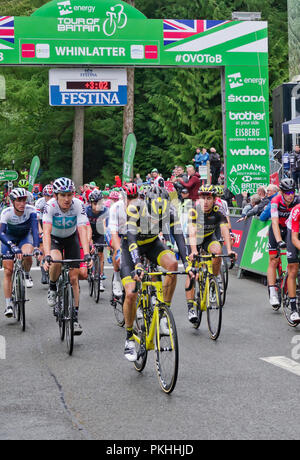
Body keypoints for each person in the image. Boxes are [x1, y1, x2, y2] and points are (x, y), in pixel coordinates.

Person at [121, 184, 191, 361]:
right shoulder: (135, 207)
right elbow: (130, 238)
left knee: (173, 265)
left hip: (152, 244)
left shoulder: (171, 210)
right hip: (131, 247)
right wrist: (137, 263)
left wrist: (188, 264)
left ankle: (162, 314)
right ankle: (129, 337)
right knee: (131, 294)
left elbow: (179, 237)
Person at [43, 177, 92, 336]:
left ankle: (75, 317)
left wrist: (87, 254)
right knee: (56, 261)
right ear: (56, 195)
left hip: (71, 239)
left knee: (73, 278)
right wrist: (47, 255)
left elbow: (83, 230)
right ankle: (52, 286)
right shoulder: (50, 206)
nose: (66, 199)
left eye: (69, 194)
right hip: (56, 240)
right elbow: (46, 232)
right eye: (63, 195)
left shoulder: (78, 205)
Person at [185, 185, 236, 323]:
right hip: (193, 240)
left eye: (209, 198)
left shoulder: (218, 212)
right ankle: (190, 307)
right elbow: (192, 232)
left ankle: (212, 282)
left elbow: (225, 230)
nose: (205, 201)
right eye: (203, 198)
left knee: (218, 252)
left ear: (214, 199)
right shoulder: (194, 212)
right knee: (192, 270)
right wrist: (194, 251)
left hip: (208, 238)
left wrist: (230, 250)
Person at [0, 188, 40, 318]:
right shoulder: (6, 212)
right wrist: (12, 246)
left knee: (27, 255)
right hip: (9, 239)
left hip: (24, 237)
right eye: (19, 200)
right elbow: (1, 233)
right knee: (8, 270)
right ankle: (8, 305)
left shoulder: (31, 210)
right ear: (12, 202)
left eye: (24, 200)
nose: (22, 203)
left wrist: (36, 247)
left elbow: (34, 230)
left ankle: (27, 274)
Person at [267, 178, 300, 309]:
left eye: (292, 191)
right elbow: (274, 222)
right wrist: (279, 240)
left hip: (291, 229)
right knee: (274, 260)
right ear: (281, 192)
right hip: (278, 228)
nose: (290, 195)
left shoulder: (297, 201)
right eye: (287, 192)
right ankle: (272, 291)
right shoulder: (275, 201)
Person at [86, 189, 109, 292]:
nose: (97, 206)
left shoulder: (105, 210)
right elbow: (85, 227)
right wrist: (89, 240)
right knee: (88, 248)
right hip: (89, 231)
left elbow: (105, 226)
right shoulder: (86, 211)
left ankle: (100, 276)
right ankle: (89, 268)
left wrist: (108, 241)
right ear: (91, 203)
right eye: (94, 203)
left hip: (100, 232)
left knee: (100, 253)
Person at [35, 184, 54, 284]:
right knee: (42, 248)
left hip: (52, 223)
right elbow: (37, 220)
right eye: (47, 196)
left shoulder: (56, 203)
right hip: (42, 222)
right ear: (43, 195)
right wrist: (41, 232)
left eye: (51, 196)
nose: (49, 198)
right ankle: (43, 272)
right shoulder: (39, 202)